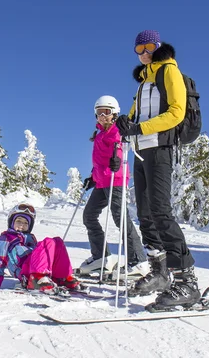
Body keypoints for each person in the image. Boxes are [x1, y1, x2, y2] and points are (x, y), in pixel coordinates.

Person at [115, 30, 201, 307]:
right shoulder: (144, 82)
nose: (144, 52)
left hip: (160, 149)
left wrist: (139, 128)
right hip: (140, 151)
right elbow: (134, 115)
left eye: (149, 46)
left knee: (161, 212)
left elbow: (176, 112)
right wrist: (125, 124)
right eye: (139, 49)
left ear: (159, 46)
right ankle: (160, 271)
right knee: (145, 214)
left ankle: (187, 281)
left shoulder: (169, 72)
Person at [78, 95, 149, 279]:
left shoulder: (117, 131)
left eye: (106, 112)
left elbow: (120, 147)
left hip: (115, 180)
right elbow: (100, 161)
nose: (102, 116)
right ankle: (101, 258)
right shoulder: (100, 134)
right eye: (99, 112)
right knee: (89, 216)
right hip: (102, 181)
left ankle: (138, 261)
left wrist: (117, 160)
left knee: (120, 219)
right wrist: (93, 178)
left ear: (114, 113)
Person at [0, 203, 84, 295]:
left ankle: (63, 277)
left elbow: (40, 258)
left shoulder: (30, 238)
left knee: (57, 242)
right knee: (48, 242)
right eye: (19, 221)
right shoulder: (5, 238)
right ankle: (36, 279)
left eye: (25, 223)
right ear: (11, 222)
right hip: (24, 271)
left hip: (34, 267)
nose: (22, 225)